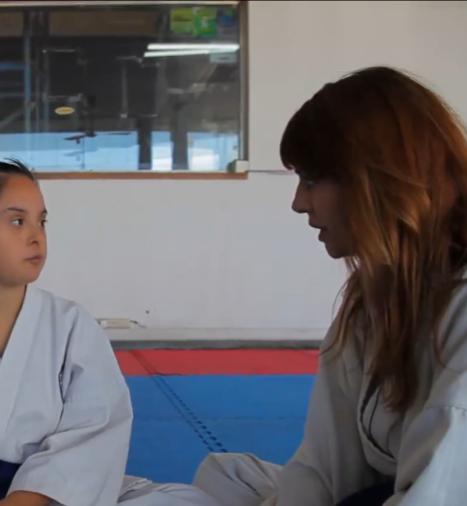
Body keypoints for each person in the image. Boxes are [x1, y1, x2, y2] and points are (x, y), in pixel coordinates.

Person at [0, 144, 219, 506]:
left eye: (41, 221)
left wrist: (27, 499)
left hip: (55, 497)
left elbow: (95, 429)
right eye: (17, 221)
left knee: (189, 501)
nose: (35, 236)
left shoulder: (71, 326)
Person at [184, 66, 467, 506]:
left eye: (312, 181)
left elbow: (438, 494)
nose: (299, 203)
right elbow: (326, 467)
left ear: (376, 180)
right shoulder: (369, 304)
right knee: (225, 475)